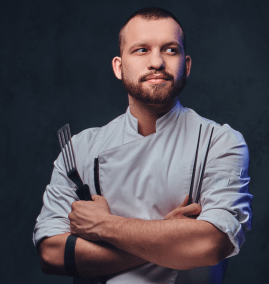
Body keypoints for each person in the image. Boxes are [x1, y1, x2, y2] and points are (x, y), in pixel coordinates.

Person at [33, 7, 253, 284]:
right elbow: (52, 254)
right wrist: (169, 234)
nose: (157, 62)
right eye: (141, 50)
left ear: (186, 65)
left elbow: (212, 244)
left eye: (170, 50)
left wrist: (103, 225)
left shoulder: (219, 142)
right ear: (118, 66)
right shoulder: (79, 150)